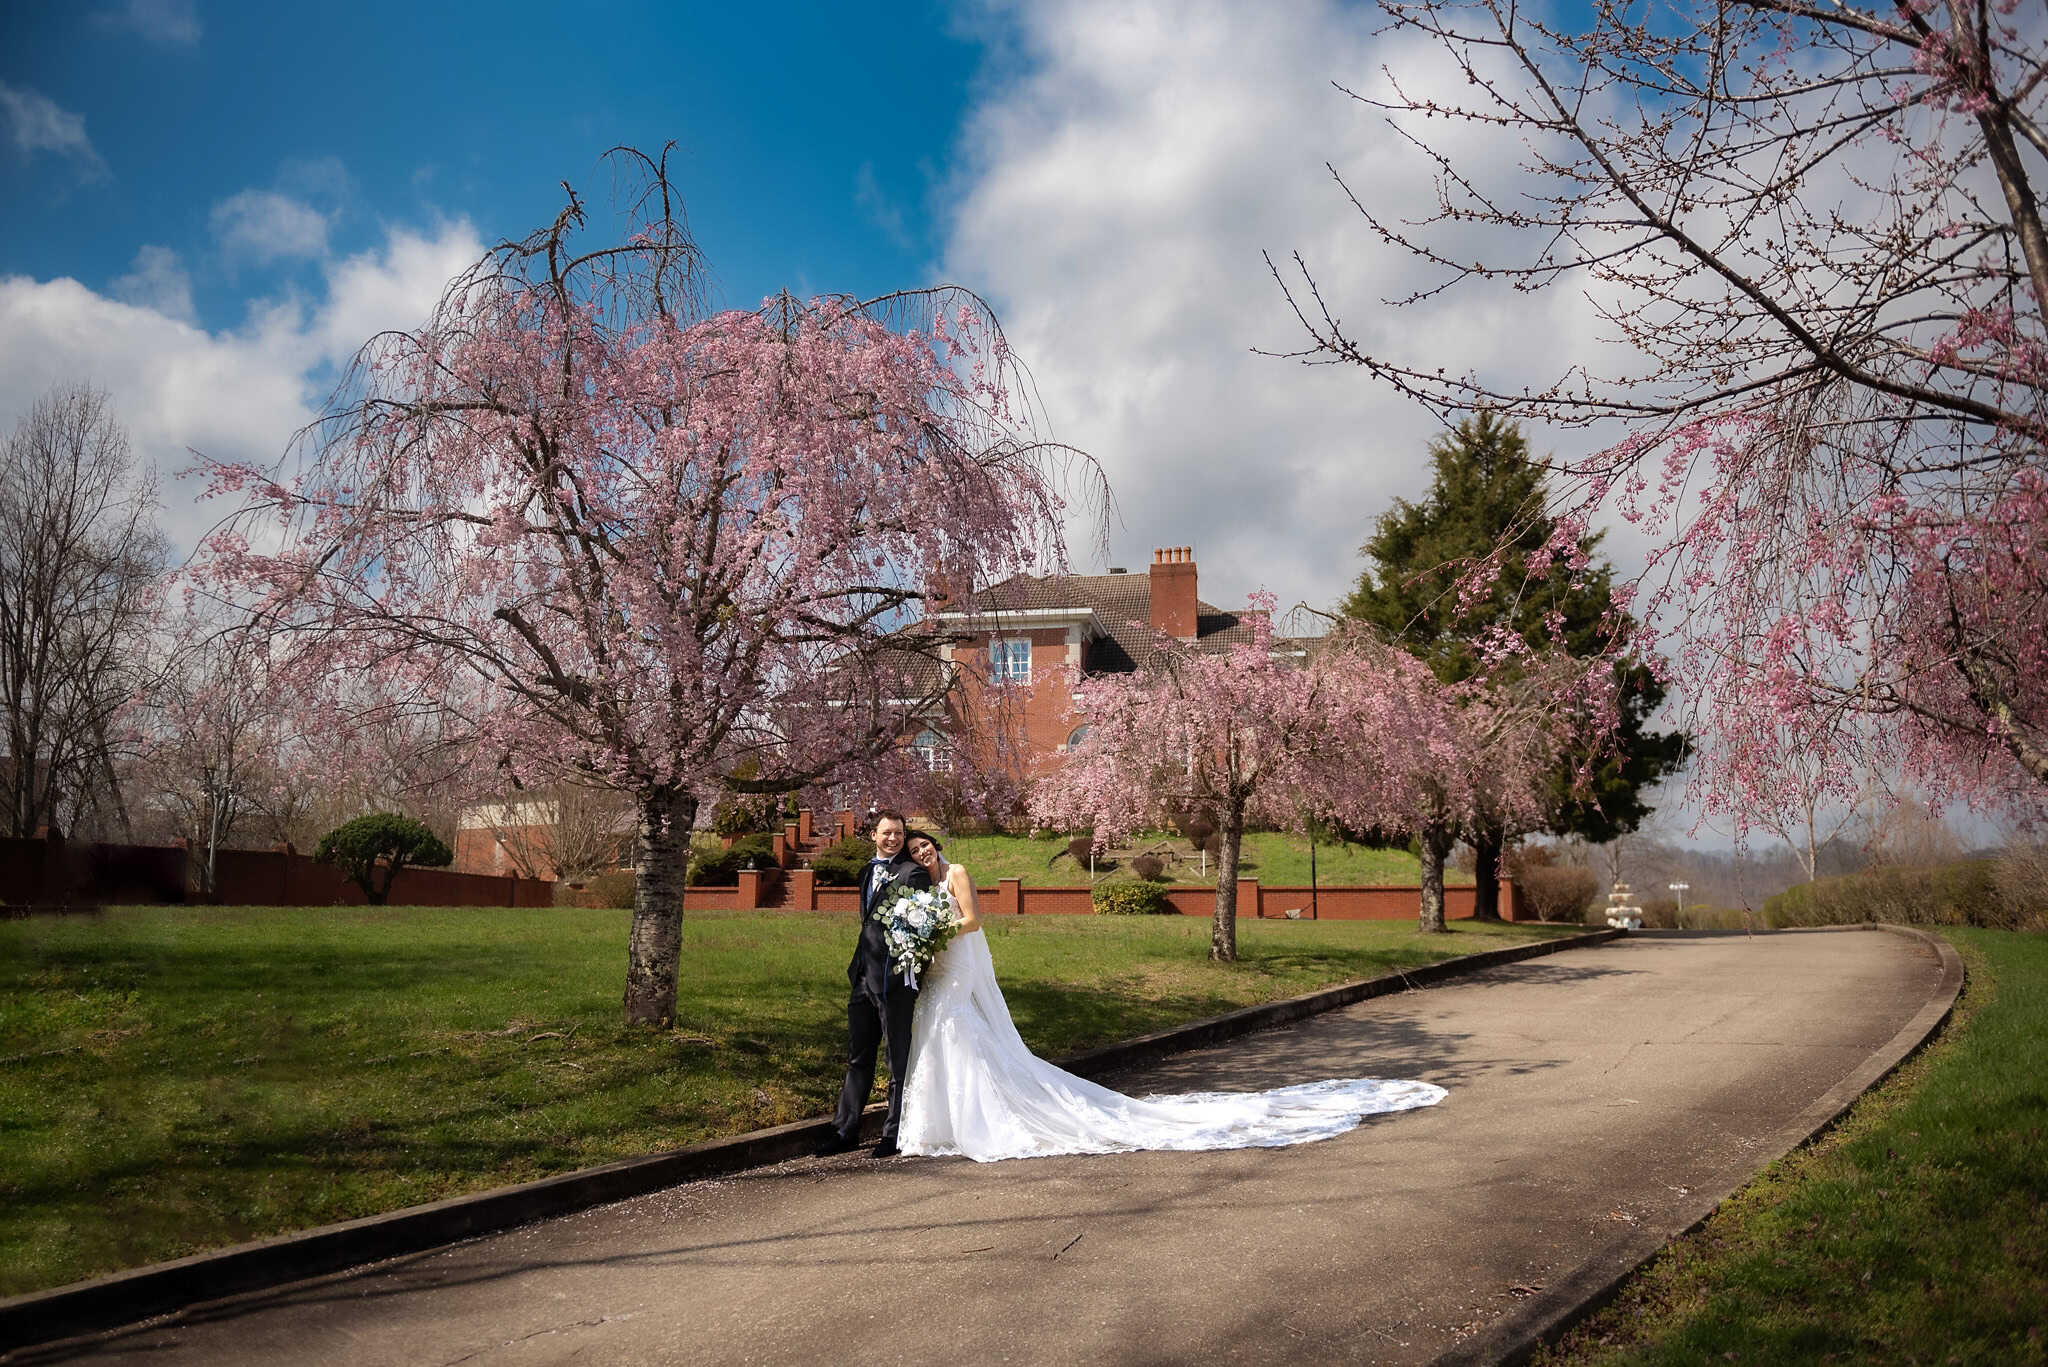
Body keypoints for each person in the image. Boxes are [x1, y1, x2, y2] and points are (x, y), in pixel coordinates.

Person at [895, 830, 1448, 1162]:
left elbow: (972, 920)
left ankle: (977, 1118)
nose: (920, 853)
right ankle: (936, 1122)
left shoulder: (957, 872)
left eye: (925, 845)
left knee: (958, 1028)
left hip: (958, 959)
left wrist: (937, 930)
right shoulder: (920, 884)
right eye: (914, 849)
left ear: (938, 847)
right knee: (938, 1028)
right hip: (938, 965)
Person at [814, 808, 931, 1158]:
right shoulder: (867, 871)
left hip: (894, 980)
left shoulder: (913, 875)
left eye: (898, 833)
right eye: (886, 833)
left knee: (896, 1060)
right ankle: (844, 1130)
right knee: (858, 1057)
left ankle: (892, 1134)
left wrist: (903, 970)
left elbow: (919, 930)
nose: (893, 838)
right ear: (874, 835)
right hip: (862, 975)